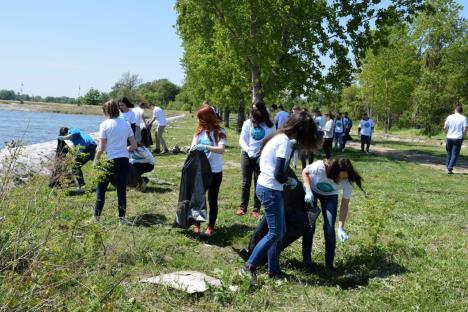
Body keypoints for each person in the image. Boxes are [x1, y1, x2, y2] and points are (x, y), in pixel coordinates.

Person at [240, 111, 320, 285]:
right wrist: (289, 181)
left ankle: (274, 270)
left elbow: (264, 164)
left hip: (266, 186)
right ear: (300, 130)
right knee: (275, 232)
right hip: (270, 189)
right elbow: (278, 173)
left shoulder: (277, 137)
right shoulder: (284, 142)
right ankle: (248, 267)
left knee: (280, 231)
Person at [302, 158, 364, 272]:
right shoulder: (320, 167)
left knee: (330, 228)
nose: (341, 180)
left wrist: (341, 227)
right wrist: (308, 191)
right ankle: (306, 262)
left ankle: (329, 265)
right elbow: (305, 172)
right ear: (334, 171)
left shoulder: (348, 182)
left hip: (330, 197)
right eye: (340, 177)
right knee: (310, 226)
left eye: (344, 177)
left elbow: (344, 205)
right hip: (313, 192)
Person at [92, 100, 137, 225]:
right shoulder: (126, 124)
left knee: (101, 189)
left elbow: (101, 147)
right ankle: (121, 220)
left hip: (108, 160)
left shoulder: (104, 125)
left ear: (106, 111)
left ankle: (96, 218)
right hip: (123, 160)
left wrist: (96, 160)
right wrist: (123, 150)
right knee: (121, 190)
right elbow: (134, 145)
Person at [190, 104, 227, 237]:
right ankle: (197, 223)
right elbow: (192, 148)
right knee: (198, 198)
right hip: (201, 171)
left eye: (202, 118)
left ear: (209, 117)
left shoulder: (219, 132)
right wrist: (193, 148)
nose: (200, 121)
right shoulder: (198, 132)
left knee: (212, 199)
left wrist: (205, 147)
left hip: (215, 171)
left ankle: (211, 226)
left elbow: (221, 150)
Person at [237, 99, 275, 218]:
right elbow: (242, 140)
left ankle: (256, 209)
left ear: (263, 110)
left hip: (262, 156)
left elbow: (272, 141)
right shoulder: (248, 123)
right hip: (247, 154)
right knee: (245, 182)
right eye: (253, 109)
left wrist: (263, 151)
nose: (254, 111)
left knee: (259, 182)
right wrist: (248, 150)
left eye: (257, 109)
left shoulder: (270, 125)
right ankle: (243, 207)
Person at [58, 127, 97, 193]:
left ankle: (81, 186)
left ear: (66, 133)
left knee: (75, 166)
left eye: (65, 135)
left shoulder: (72, 130)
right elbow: (77, 148)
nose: (67, 138)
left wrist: (64, 138)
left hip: (89, 147)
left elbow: (76, 133)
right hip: (90, 147)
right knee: (97, 165)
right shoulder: (75, 140)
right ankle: (111, 181)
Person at [444, 105, 468, 174]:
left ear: (455, 110)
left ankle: (448, 167)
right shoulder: (464, 118)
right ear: (461, 111)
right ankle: (450, 168)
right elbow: (465, 128)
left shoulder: (449, 116)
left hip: (449, 137)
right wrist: (463, 135)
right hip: (458, 138)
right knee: (455, 154)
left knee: (449, 152)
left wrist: (447, 133)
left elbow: (445, 127)